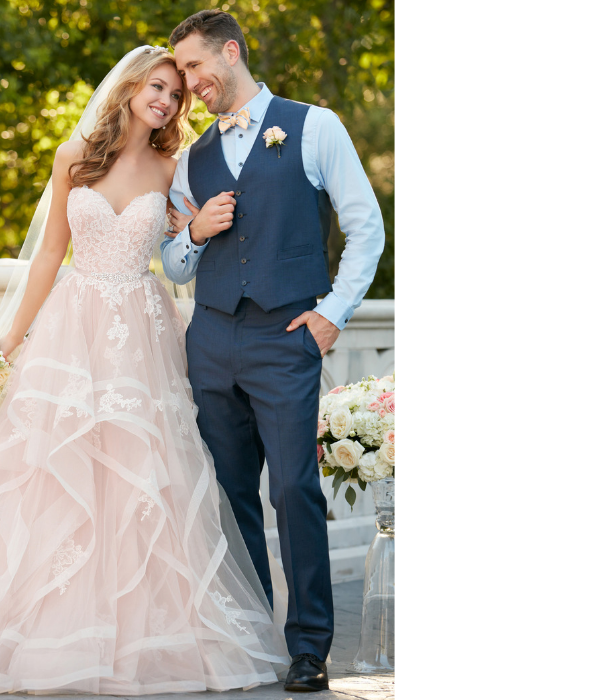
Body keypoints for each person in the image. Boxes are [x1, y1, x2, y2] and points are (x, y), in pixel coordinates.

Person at [0, 46, 291, 695]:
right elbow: (49, 254)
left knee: (144, 473)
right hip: (74, 325)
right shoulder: (74, 157)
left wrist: (192, 228)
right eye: (158, 87)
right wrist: (8, 337)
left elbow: (182, 252)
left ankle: (143, 628)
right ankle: (40, 628)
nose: (166, 100)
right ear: (130, 86)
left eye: (175, 93)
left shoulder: (174, 166)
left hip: (142, 333)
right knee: (53, 471)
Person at [161, 10, 386, 693]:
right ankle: (253, 638)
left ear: (231, 52)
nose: (191, 83)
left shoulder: (314, 125)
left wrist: (331, 314)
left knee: (293, 489)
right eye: (183, 74)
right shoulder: (191, 158)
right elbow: (173, 263)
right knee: (230, 497)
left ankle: (309, 646)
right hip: (212, 339)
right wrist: (195, 232)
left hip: (287, 336)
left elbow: (365, 225)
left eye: (198, 67)